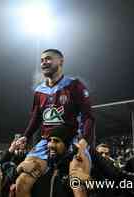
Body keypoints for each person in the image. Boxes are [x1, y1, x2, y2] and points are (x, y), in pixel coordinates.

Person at [15, 49, 95, 197]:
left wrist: (85, 141)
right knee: (22, 183)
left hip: (73, 140)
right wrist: (25, 136)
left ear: (61, 61)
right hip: (47, 142)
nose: (44, 62)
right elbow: (35, 118)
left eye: (48, 59)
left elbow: (88, 116)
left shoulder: (74, 85)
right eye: (42, 60)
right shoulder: (39, 90)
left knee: (78, 182)